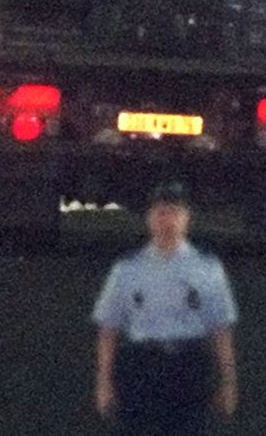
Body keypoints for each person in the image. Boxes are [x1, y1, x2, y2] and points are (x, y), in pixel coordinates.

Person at [92, 182, 239, 435]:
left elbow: (221, 329)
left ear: (187, 218)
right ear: (149, 219)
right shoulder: (128, 269)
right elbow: (109, 329)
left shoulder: (207, 269)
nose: (167, 221)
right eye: (160, 213)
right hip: (141, 367)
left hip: (188, 366)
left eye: (174, 213)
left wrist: (228, 382)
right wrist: (104, 382)